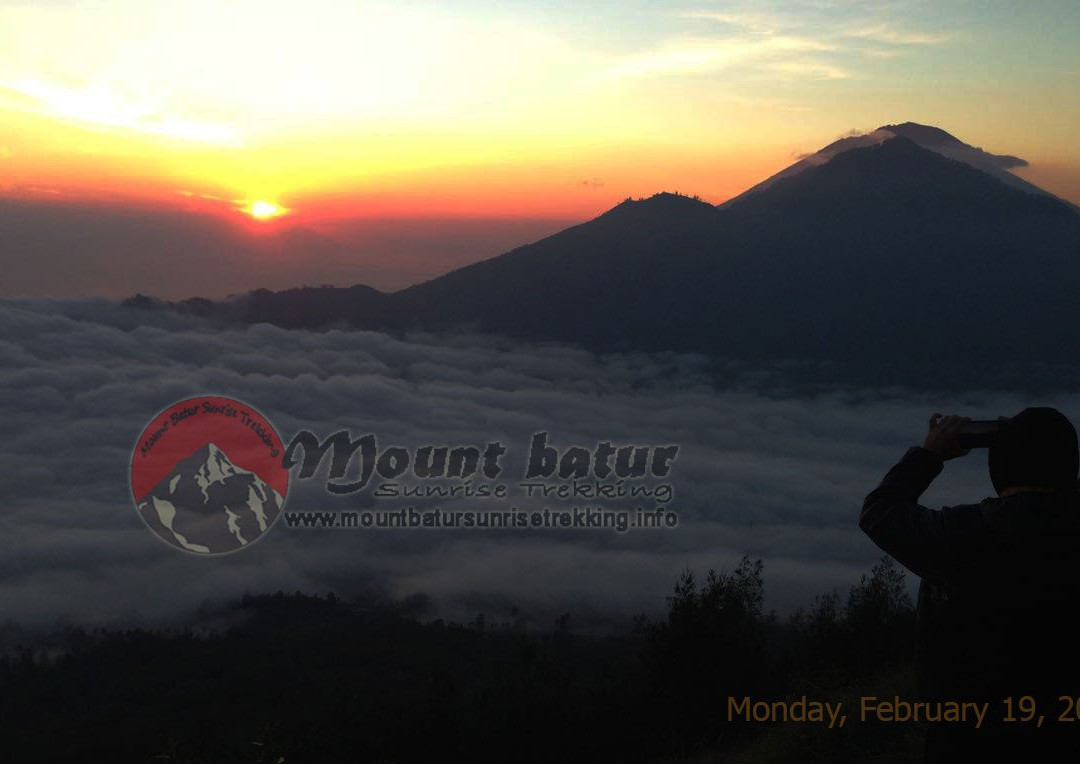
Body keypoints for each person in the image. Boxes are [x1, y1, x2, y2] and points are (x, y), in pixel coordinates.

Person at [860, 407, 1080, 761]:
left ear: (1002, 465)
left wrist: (929, 454)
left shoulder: (961, 535)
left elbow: (880, 514)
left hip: (966, 740)